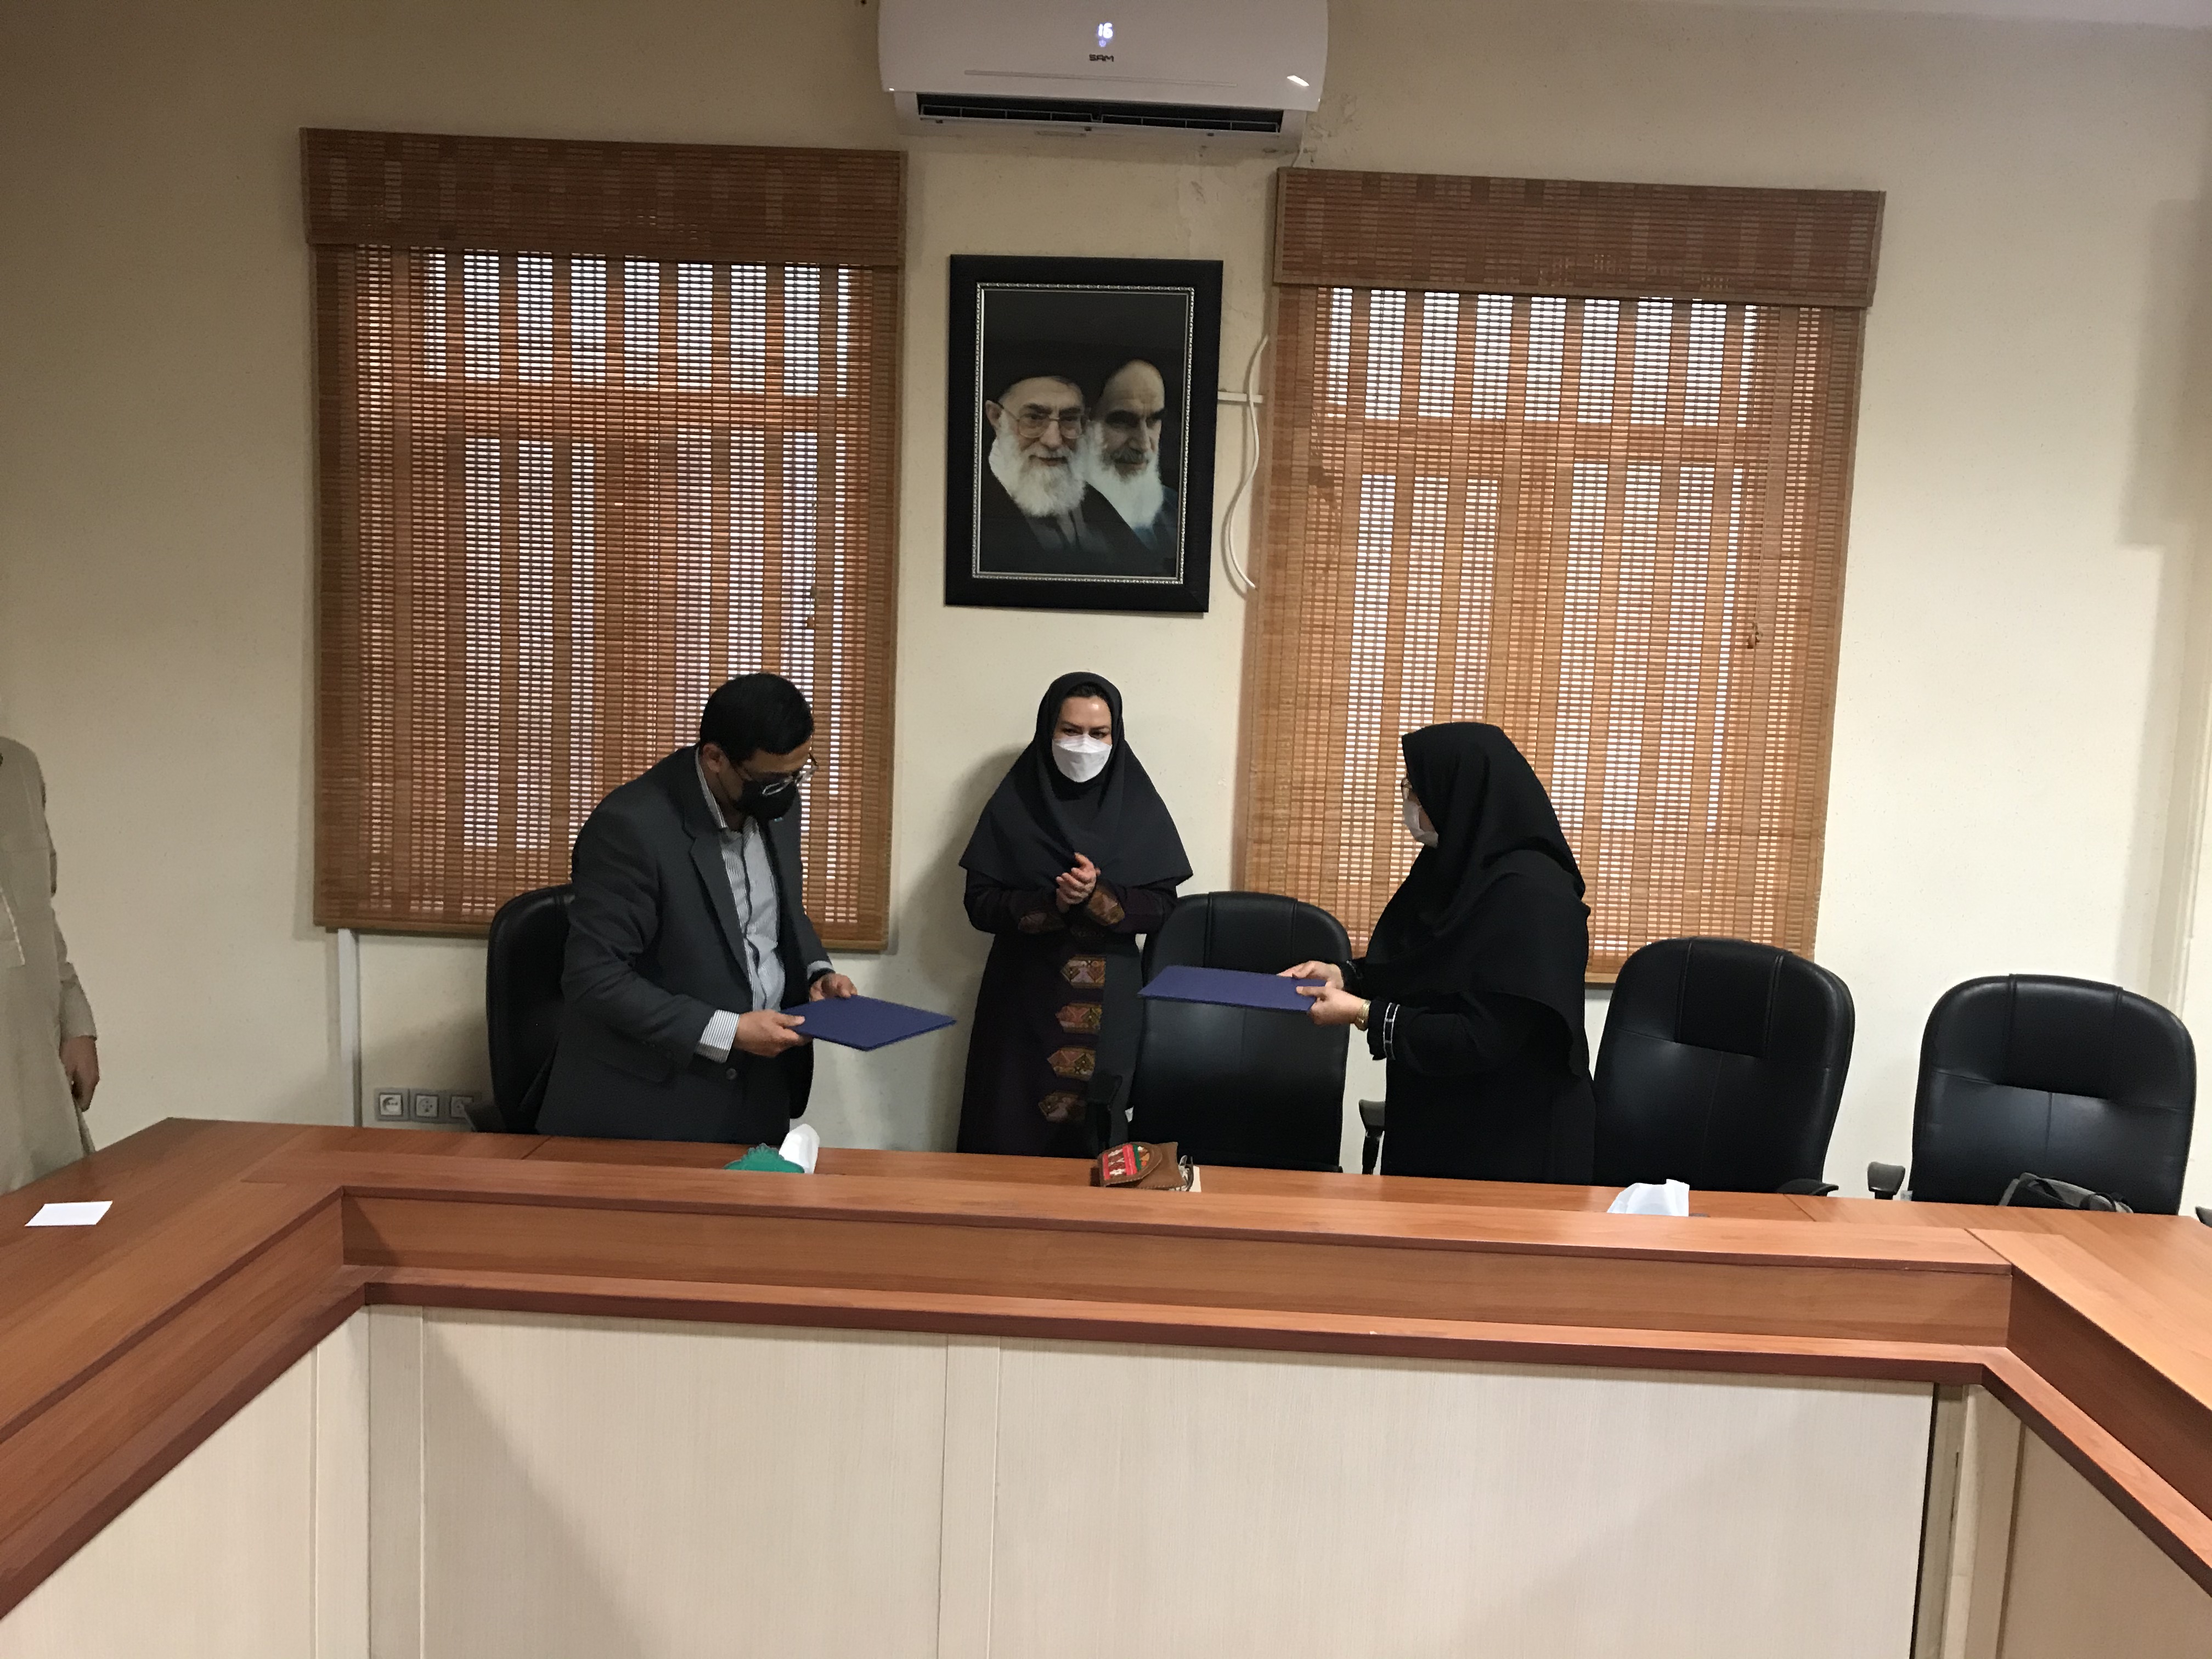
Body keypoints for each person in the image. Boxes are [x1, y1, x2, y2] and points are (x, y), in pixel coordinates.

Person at [538, 673, 856, 1146]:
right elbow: (594, 976)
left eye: (799, 773)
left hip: (758, 1093)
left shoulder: (775, 804)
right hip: (651, 1108)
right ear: (715, 758)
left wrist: (817, 972)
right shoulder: (631, 827)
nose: (789, 791)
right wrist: (729, 1031)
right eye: (773, 779)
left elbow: (781, 914)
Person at [1284, 723, 1596, 1182]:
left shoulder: (1534, 896)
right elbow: (1424, 964)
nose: (1410, 802)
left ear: (1461, 793)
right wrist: (1345, 975)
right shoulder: (1454, 867)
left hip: (1513, 1142)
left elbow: (1483, 1037)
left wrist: (1363, 1013)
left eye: (1417, 789)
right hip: (1440, 1117)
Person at [956, 673, 1190, 1156]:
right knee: (1007, 1132)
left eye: (1098, 733)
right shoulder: (1015, 804)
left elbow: (1162, 906)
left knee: (1098, 1142)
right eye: (1070, 730)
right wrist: (1054, 903)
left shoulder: (1138, 805)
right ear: (1048, 730)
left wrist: (1097, 896)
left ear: (1115, 736)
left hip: (1111, 1005)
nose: (1084, 744)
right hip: (1022, 1000)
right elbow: (980, 903)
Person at [0, 738, 99, 1194]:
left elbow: (38, 911)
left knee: (58, 1215)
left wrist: (75, 1023)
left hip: (35, 1069)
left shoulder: (19, 767)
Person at [1079, 359, 1178, 572]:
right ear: (1084, 423)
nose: (1143, 444)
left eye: (1153, 421)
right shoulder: (1058, 521)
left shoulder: (1176, 510)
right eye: (1123, 421)